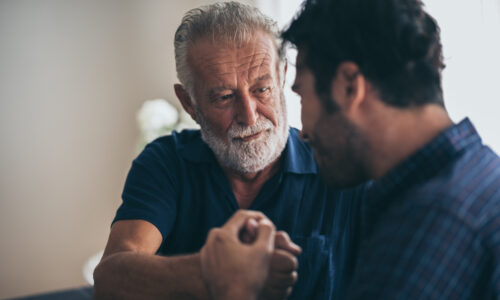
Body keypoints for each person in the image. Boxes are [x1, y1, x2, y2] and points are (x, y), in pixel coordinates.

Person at [199, 0, 500, 299]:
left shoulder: (430, 220)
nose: (303, 132)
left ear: (348, 86)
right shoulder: (482, 173)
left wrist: (234, 288)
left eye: (302, 94)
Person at [93, 2, 364, 300]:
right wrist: (211, 272)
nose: (249, 116)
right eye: (224, 96)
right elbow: (111, 276)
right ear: (189, 104)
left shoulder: (340, 166)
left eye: (262, 89)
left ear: (283, 76)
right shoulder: (167, 162)